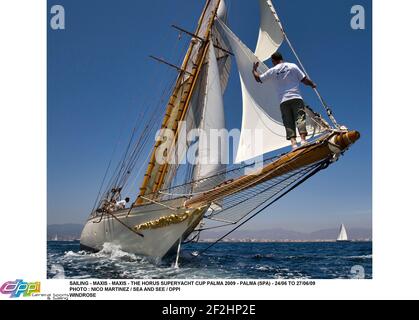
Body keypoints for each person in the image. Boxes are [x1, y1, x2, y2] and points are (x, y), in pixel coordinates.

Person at [253, 52, 317, 150]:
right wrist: (312, 84)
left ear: (273, 61)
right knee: (300, 118)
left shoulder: (272, 70)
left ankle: (294, 144)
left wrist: (254, 69)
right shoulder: (292, 66)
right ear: (281, 58)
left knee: (288, 122)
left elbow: (258, 79)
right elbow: (304, 80)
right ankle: (303, 141)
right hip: (296, 97)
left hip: (283, 101)